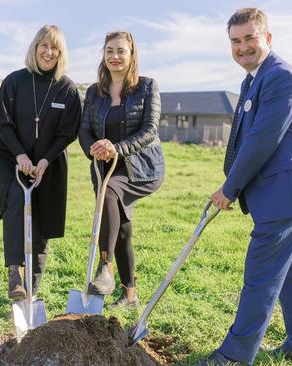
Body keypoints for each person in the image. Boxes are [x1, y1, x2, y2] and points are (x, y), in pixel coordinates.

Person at [197, 8, 292, 366]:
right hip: (279, 197)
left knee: (261, 278)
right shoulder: (253, 80)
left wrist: (230, 188)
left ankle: (234, 356)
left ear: (267, 38)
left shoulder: (282, 77)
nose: (243, 47)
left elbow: (261, 141)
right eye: (235, 41)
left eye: (250, 38)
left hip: (283, 195)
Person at [0, 25, 81, 301]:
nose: (48, 52)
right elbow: (3, 122)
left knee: (42, 219)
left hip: (49, 162)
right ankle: (15, 272)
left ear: (61, 53)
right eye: (44, 45)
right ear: (34, 48)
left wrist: (43, 161)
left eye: (55, 47)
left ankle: (32, 288)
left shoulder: (67, 89)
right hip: (11, 157)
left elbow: (68, 132)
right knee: (17, 201)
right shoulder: (15, 81)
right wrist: (20, 156)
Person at [79, 31, 165, 308]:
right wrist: (94, 148)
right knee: (122, 228)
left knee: (110, 195)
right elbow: (84, 130)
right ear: (103, 55)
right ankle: (130, 295)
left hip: (141, 167)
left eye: (121, 51)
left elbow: (150, 130)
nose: (115, 56)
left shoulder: (147, 87)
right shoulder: (94, 92)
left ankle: (105, 267)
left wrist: (117, 148)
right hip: (104, 167)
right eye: (109, 51)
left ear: (131, 55)